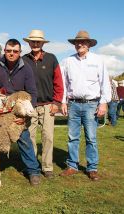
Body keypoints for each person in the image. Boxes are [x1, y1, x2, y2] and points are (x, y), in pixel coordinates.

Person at [60, 30, 111, 181]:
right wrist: (63, 101)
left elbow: (105, 83)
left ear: (89, 44)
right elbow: (63, 84)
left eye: (83, 42)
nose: (79, 44)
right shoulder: (68, 61)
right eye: (77, 42)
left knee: (91, 138)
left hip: (91, 104)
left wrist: (103, 103)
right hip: (74, 104)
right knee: (72, 137)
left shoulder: (98, 60)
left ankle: (92, 168)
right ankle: (72, 166)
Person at [0, 39, 41, 185]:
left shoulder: (26, 68)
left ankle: (33, 171)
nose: (11, 54)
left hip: (19, 109)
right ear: (4, 51)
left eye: (15, 51)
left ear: (20, 53)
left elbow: (32, 92)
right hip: (0, 106)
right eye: (8, 51)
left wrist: (24, 116)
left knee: (24, 137)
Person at [23, 30, 64, 178]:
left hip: (48, 105)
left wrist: (57, 102)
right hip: (30, 105)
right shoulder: (23, 60)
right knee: (30, 137)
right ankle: (32, 167)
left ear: (42, 43)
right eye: (32, 41)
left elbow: (58, 82)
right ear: (28, 43)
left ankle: (47, 168)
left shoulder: (52, 58)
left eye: (38, 41)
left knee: (48, 137)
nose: (35, 44)